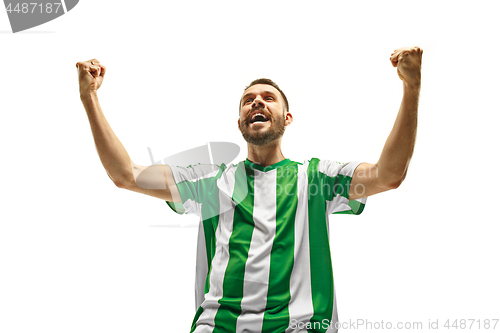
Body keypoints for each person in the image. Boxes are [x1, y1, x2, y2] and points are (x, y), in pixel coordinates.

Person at [76, 46, 422, 333]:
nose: (257, 102)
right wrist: (89, 97)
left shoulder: (317, 179)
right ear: (241, 121)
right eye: (248, 100)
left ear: (286, 118)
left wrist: (411, 88)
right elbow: (126, 175)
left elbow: (389, 175)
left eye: (268, 98)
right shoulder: (211, 183)